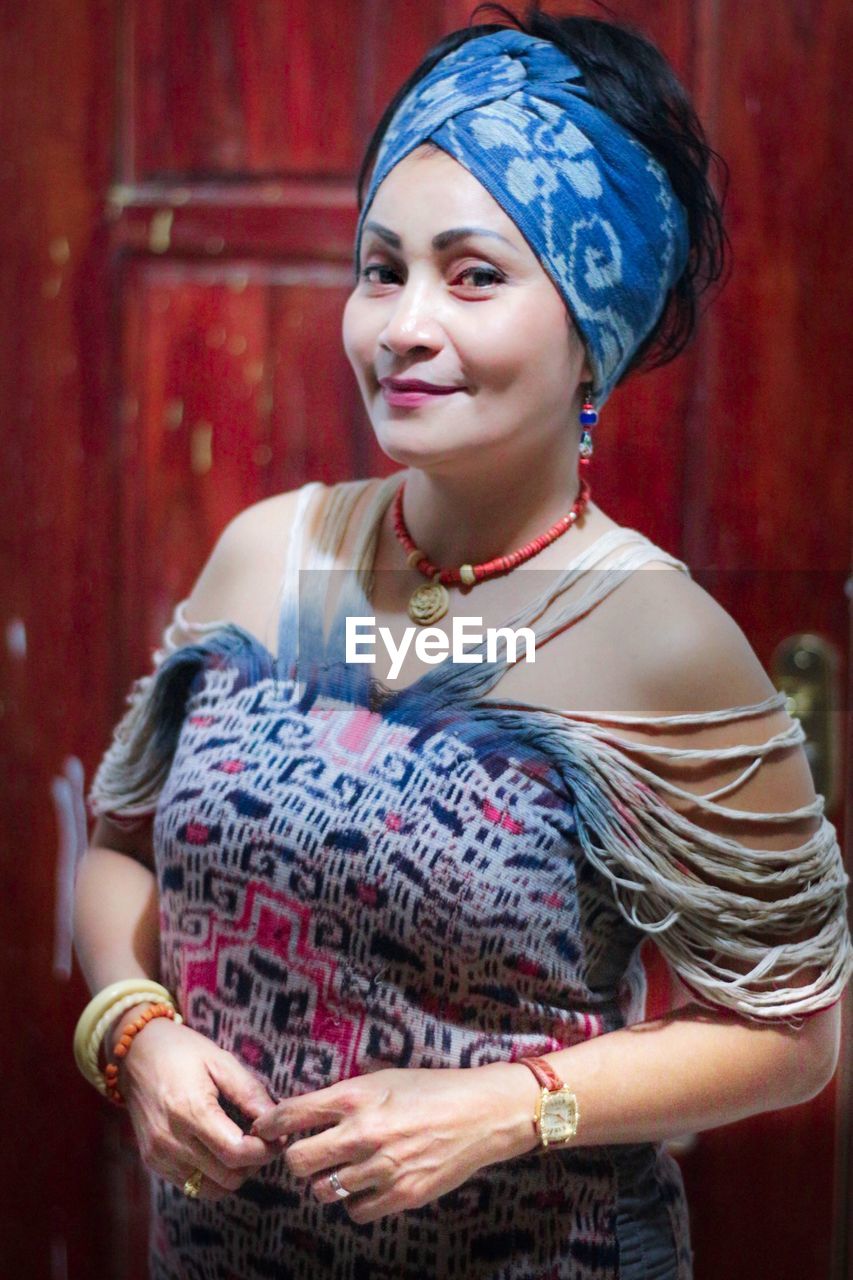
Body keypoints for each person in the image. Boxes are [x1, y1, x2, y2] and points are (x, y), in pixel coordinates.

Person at [72, 6, 853, 1279]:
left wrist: (503, 1107)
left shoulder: (656, 638)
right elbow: (117, 848)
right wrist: (133, 1024)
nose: (403, 325)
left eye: (474, 273)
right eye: (382, 268)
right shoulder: (270, 555)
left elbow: (795, 1031)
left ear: (589, 324)